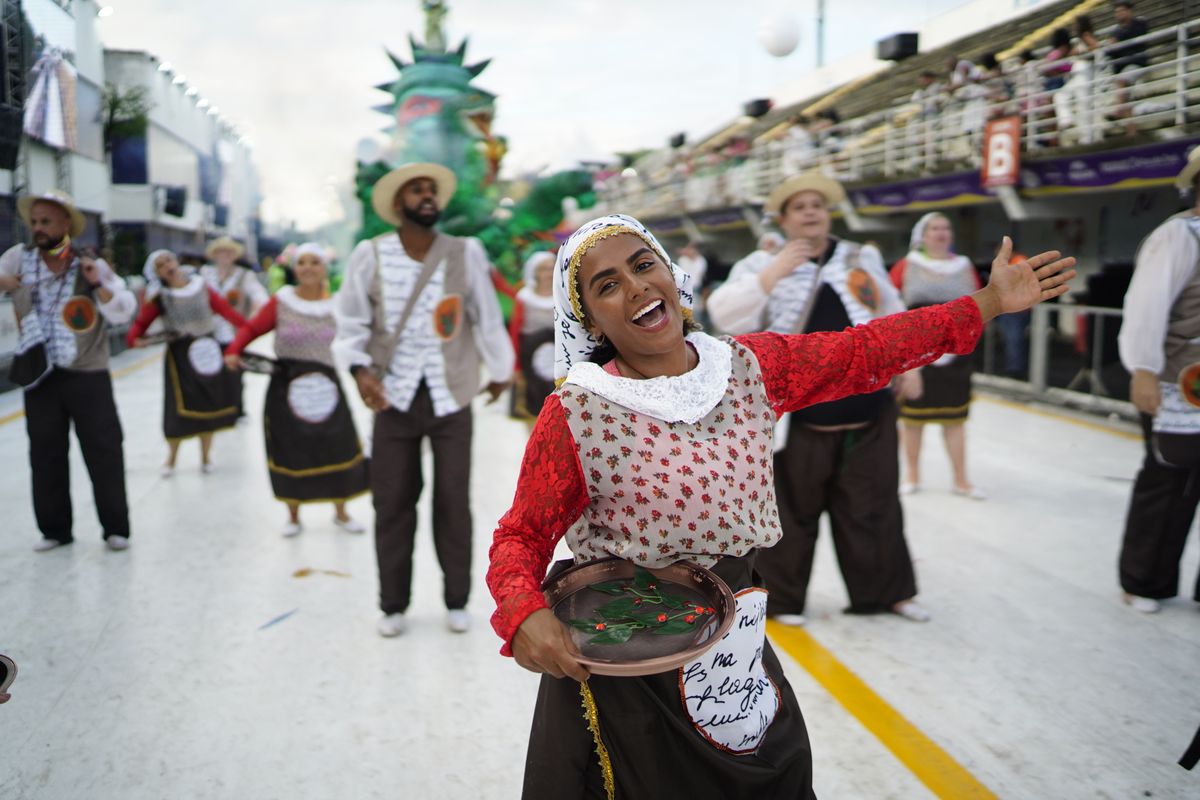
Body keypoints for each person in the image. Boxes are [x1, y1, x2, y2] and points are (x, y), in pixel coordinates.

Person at [486, 213, 1074, 798]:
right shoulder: (579, 412)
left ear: (671, 274)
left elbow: (865, 350)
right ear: (589, 318)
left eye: (644, 265)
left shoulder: (746, 368)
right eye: (607, 284)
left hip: (734, 649)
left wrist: (987, 304)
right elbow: (522, 535)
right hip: (627, 667)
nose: (636, 286)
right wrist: (524, 611)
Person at [707, 170, 928, 626]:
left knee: (875, 504)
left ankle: (885, 593)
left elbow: (890, 312)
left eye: (817, 205)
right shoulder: (760, 263)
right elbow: (723, 313)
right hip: (800, 413)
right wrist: (775, 271)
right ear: (784, 218)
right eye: (799, 206)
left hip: (868, 405)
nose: (811, 213)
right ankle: (781, 599)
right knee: (790, 509)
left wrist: (909, 365)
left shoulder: (858, 259)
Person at [334, 162, 514, 637]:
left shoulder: (464, 252)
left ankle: (457, 599)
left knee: (453, 501)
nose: (428, 196)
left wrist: (499, 370)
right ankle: (392, 604)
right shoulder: (369, 255)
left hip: (451, 396)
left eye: (432, 189)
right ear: (399, 204)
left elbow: (484, 315)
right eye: (418, 190)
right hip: (391, 399)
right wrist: (359, 371)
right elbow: (349, 322)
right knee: (392, 502)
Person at [0, 190, 137, 552]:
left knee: (104, 450)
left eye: (46, 221)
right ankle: (55, 530)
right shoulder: (18, 259)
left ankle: (115, 528)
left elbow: (124, 310)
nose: (39, 228)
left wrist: (98, 285)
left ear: (65, 224)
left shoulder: (90, 264)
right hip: (39, 372)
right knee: (44, 453)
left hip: (87, 373)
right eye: (35, 222)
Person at [224, 243, 370, 537]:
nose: (307, 268)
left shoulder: (338, 305)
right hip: (286, 385)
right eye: (301, 262)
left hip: (327, 386)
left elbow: (360, 336)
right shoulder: (282, 301)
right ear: (294, 268)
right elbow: (252, 329)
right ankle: (293, 515)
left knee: (336, 444)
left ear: (324, 268)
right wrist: (234, 350)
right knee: (291, 447)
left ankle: (341, 511)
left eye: (314, 262)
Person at [1115, 147, 1200, 614]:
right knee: (1168, 479)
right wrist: (1143, 369)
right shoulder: (1178, 236)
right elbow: (1146, 305)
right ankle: (1143, 581)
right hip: (1178, 382)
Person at [889, 213, 984, 498]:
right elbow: (890, 307)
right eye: (935, 228)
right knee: (912, 420)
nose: (941, 232)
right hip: (916, 354)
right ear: (923, 234)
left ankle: (961, 480)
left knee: (955, 419)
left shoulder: (965, 266)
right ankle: (913, 475)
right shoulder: (907, 266)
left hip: (955, 353)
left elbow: (979, 306)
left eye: (946, 227)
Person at [126, 250, 247, 475]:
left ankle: (206, 457)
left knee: (207, 403)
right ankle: (171, 459)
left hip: (206, 351)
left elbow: (225, 310)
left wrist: (247, 330)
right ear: (157, 273)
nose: (167, 266)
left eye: (169, 261)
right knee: (177, 407)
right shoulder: (160, 296)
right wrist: (135, 340)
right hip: (180, 355)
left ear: (176, 261)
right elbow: (140, 326)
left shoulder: (200, 286)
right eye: (161, 265)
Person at [200, 236, 268, 418]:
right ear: (214, 254)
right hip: (208, 331)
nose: (225, 255)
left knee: (234, 371)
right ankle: (215, 407)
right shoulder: (205, 274)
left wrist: (253, 319)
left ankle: (236, 408)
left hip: (233, 332)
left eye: (229, 251)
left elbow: (260, 298)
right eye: (221, 251)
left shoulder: (244, 275)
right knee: (210, 370)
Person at [509, 250, 558, 418]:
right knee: (533, 404)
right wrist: (515, 367)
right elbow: (515, 334)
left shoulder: (563, 294)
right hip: (530, 357)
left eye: (552, 268)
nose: (549, 273)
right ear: (535, 272)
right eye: (544, 269)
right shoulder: (524, 297)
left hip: (558, 356)